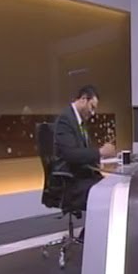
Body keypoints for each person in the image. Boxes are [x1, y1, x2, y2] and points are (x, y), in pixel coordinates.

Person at [52, 85, 116, 217]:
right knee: (108, 194)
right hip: (72, 182)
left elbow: (82, 151)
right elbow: (70, 154)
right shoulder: (65, 119)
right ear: (83, 99)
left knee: (113, 188)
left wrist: (100, 158)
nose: (93, 113)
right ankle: (95, 229)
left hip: (83, 176)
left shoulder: (78, 121)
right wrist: (100, 152)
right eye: (92, 107)